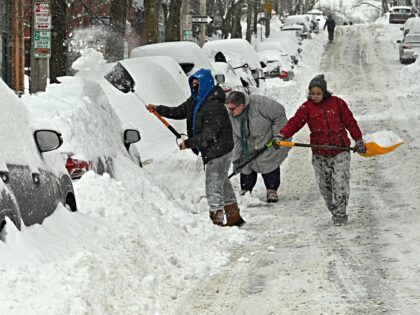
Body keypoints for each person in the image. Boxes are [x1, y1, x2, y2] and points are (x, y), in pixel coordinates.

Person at [146, 68, 244, 227]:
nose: (195, 87)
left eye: (198, 84)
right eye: (193, 84)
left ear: (207, 83)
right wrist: (158, 109)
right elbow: (179, 111)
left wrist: (189, 143)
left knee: (213, 184)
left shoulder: (215, 105)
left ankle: (217, 222)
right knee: (222, 181)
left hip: (220, 150)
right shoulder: (196, 100)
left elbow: (209, 133)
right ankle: (234, 217)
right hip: (212, 149)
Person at [272, 74, 366, 226]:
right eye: (312, 93)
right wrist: (281, 135)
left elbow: (350, 121)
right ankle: (334, 209)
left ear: (324, 92)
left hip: (340, 150)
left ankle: (340, 215)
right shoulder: (306, 108)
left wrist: (358, 139)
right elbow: (295, 123)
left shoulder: (338, 103)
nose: (314, 96)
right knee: (326, 187)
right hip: (319, 153)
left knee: (340, 184)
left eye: (318, 93)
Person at [226, 91, 290, 203]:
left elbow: (279, 115)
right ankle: (246, 191)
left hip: (267, 140)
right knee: (245, 164)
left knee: (269, 162)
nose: (229, 112)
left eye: (231, 109)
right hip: (247, 144)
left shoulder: (260, 104)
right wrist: (236, 159)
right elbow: (235, 137)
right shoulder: (231, 116)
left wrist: (278, 136)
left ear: (241, 106)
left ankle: (272, 190)